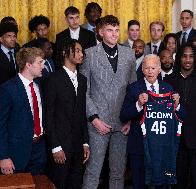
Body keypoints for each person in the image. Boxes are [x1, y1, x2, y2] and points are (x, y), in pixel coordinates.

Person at [80, 15, 136, 189]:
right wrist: (94, 119)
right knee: (92, 172)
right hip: (98, 123)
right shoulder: (89, 54)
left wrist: (129, 118)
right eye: (110, 30)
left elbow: (132, 89)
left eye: (117, 30)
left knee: (118, 173)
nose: (114, 34)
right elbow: (84, 91)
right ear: (100, 31)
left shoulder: (129, 54)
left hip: (122, 123)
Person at [120, 54, 184, 189]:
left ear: (159, 69)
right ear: (142, 69)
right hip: (139, 147)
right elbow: (123, 115)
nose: (150, 71)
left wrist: (177, 105)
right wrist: (138, 104)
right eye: (147, 68)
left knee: (163, 185)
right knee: (139, 184)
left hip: (162, 148)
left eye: (153, 68)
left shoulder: (168, 89)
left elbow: (182, 116)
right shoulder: (134, 88)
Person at [164, 44, 196, 189]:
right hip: (175, 142)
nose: (188, 60)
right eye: (184, 56)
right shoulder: (168, 81)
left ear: (195, 58)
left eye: (191, 56)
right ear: (179, 57)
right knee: (178, 182)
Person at [45, 39, 90, 189]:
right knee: (59, 184)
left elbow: (82, 112)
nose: (81, 54)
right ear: (65, 52)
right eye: (77, 50)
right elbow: (48, 115)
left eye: (81, 50)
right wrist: (55, 146)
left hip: (78, 145)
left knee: (76, 183)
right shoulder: (53, 79)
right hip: (60, 146)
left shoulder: (82, 80)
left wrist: (85, 142)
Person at [0, 47, 46, 175]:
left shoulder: (39, 85)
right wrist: (3, 156)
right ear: (28, 64)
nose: (43, 66)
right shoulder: (7, 89)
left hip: (39, 150)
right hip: (16, 153)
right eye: (40, 62)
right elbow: (1, 125)